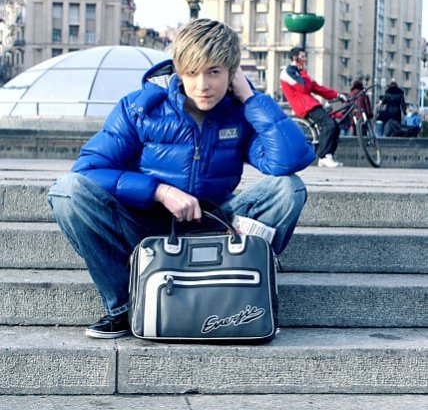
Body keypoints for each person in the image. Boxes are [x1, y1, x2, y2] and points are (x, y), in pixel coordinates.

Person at [47, 19, 315, 339]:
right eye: (191, 72)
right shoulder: (141, 109)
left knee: (287, 189)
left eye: (214, 72)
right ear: (178, 70)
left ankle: (237, 294)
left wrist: (249, 97)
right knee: (68, 192)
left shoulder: (239, 113)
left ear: (232, 72)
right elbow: (87, 170)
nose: (202, 85)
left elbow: (290, 160)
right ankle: (124, 308)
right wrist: (159, 191)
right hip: (145, 229)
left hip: (215, 224)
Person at [280, 47, 347, 168]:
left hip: (310, 104)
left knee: (335, 126)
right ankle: (323, 156)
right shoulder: (288, 72)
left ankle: (328, 155)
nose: (305, 59)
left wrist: (336, 95)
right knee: (328, 125)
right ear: (294, 58)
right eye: (302, 56)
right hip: (304, 106)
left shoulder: (299, 72)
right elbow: (304, 88)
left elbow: (316, 88)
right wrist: (303, 73)